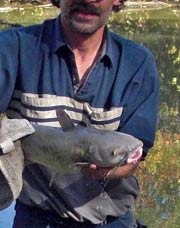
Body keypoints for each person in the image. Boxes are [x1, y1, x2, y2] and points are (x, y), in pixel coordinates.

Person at [0, 0, 159, 227]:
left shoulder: (137, 63)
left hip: (110, 220)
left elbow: (135, 157)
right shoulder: (13, 48)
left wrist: (107, 170)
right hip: (35, 217)